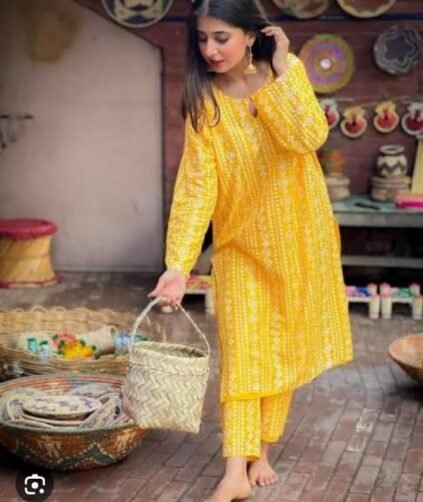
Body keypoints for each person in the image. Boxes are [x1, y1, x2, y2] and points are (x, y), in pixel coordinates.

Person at [149, 1, 353, 500]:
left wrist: (281, 70)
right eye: (202, 38)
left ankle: (262, 448)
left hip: (298, 240)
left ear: (250, 34)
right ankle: (234, 470)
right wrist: (178, 265)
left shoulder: (286, 73)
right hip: (239, 246)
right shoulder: (205, 103)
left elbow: (309, 136)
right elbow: (197, 187)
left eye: (221, 37)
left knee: (279, 345)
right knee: (243, 351)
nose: (210, 49)